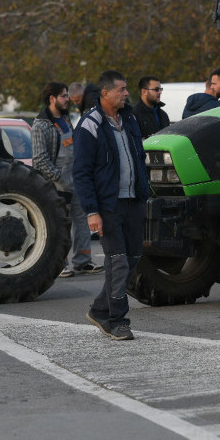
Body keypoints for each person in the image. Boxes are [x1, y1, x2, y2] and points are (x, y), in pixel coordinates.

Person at [75, 70, 149, 341]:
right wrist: (92, 211)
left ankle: (99, 309)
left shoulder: (129, 119)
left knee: (131, 262)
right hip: (108, 207)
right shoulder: (89, 125)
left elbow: (139, 158)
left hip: (134, 202)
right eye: (121, 89)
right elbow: (81, 173)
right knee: (118, 263)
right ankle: (118, 320)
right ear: (105, 93)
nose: (126, 93)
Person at [32, 82, 104, 279]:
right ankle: (60, 263)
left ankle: (83, 261)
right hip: (56, 186)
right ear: (52, 98)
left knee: (82, 220)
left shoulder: (65, 119)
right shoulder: (40, 125)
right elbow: (39, 160)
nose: (68, 99)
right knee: (60, 225)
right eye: (64, 96)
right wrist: (59, 178)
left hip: (76, 181)